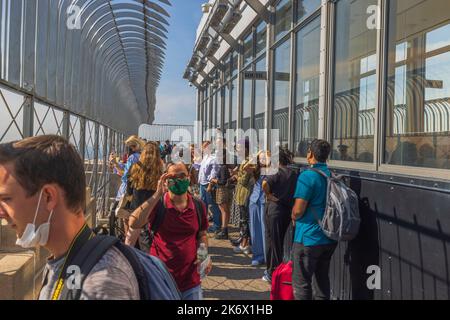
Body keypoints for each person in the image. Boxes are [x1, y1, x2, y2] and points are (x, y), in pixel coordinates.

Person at [0, 135, 140, 299]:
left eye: (6, 199)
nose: (1, 212)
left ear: (48, 197)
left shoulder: (101, 284)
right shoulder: (66, 259)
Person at [126, 162, 212, 300]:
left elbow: (202, 233)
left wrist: (203, 253)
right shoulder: (159, 205)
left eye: (182, 175)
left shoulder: (198, 205)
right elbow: (134, 223)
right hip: (161, 279)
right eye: (172, 177)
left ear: (189, 177)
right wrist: (157, 194)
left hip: (190, 281)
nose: (178, 180)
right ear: (165, 180)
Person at [291, 139, 337, 300]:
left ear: (310, 153)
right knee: (322, 281)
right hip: (329, 237)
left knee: (302, 283)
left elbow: (298, 210)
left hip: (308, 238)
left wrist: (293, 215)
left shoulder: (307, 176)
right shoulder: (332, 175)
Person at [262, 148, 298, 282]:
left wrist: (269, 195)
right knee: (278, 241)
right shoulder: (293, 173)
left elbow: (265, 184)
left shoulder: (276, 170)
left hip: (274, 210)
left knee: (273, 242)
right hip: (286, 211)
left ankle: (274, 273)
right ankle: (272, 271)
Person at [126, 142, 164, 251]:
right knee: (150, 239)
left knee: (131, 241)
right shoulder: (160, 169)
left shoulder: (135, 167)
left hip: (136, 209)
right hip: (153, 209)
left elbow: (129, 191)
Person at [109, 135, 144, 236]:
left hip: (128, 190)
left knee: (126, 217)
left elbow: (125, 175)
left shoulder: (133, 157)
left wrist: (115, 163)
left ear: (133, 146)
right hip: (138, 188)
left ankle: (128, 240)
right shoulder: (142, 156)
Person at [231, 138, 255, 254]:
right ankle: (244, 242)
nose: (236, 149)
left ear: (245, 149)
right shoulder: (245, 160)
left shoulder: (248, 161)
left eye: (238, 147)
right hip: (242, 195)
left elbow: (244, 180)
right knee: (243, 220)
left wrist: (236, 176)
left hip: (245, 195)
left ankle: (245, 245)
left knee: (245, 221)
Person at [248, 151, 269, 266]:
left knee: (264, 229)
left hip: (265, 202)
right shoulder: (256, 170)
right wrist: (257, 154)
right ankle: (258, 255)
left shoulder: (272, 170)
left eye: (264, 158)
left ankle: (266, 256)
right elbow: (246, 167)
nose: (262, 161)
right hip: (254, 201)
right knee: (255, 230)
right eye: (260, 159)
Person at [208, 140, 232, 240]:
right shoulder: (225, 167)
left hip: (222, 191)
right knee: (224, 211)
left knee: (224, 211)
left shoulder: (223, 167)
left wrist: (213, 180)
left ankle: (224, 230)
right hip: (224, 190)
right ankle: (224, 230)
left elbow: (222, 181)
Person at [198, 141, 222, 233]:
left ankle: (217, 226)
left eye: (204, 147)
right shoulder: (205, 157)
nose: (203, 149)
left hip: (208, 185)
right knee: (203, 206)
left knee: (213, 206)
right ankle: (204, 224)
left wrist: (210, 185)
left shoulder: (213, 158)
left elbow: (214, 173)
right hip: (202, 184)